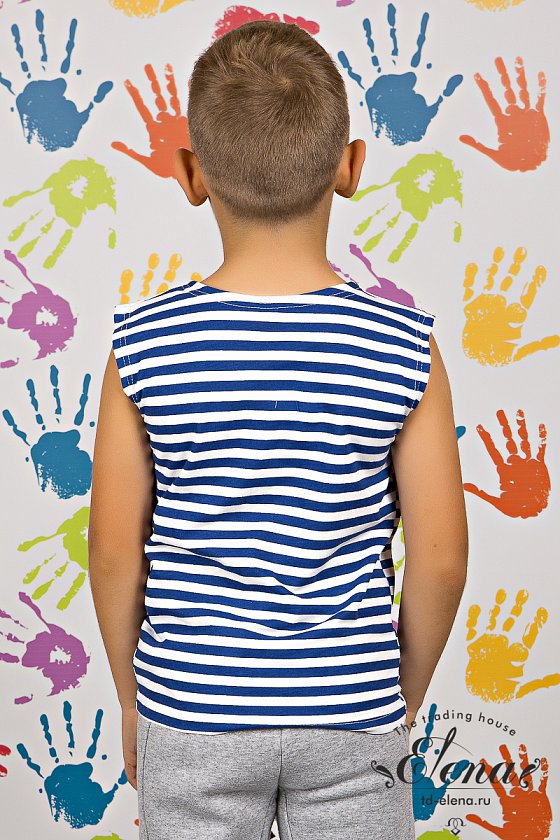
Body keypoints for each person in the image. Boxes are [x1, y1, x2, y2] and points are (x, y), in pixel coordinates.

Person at [88, 19, 469, 840]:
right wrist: (393, 698)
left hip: (192, 709)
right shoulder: (405, 346)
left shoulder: (143, 346)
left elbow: (116, 551)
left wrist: (131, 698)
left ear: (192, 174)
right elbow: (441, 559)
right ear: (351, 166)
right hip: (352, 711)